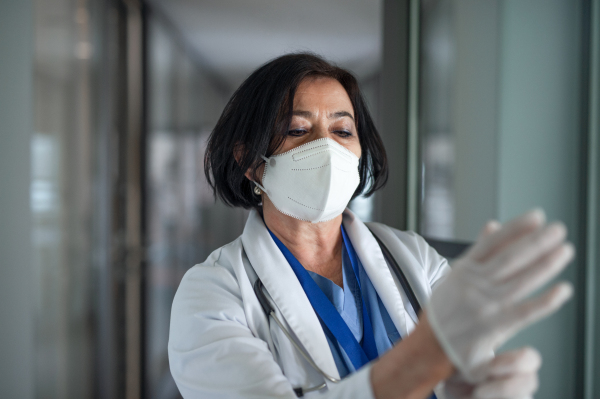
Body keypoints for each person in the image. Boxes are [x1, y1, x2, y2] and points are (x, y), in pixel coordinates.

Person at [168, 53, 574, 399]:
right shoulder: (211, 295)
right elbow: (436, 353)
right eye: (297, 130)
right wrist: (424, 360)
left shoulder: (413, 257)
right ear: (249, 161)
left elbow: (466, 363)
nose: (325, 147)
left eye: (343, 130)